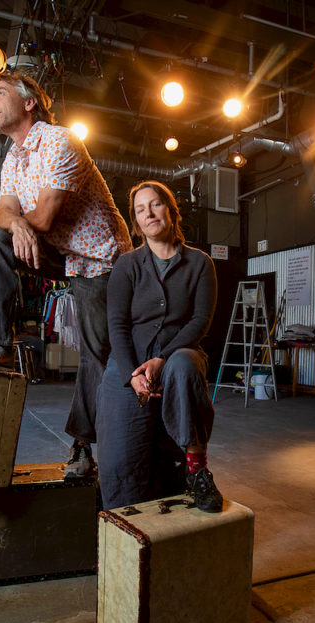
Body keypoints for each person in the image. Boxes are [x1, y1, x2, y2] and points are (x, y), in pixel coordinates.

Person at [0, 71, 132, 479]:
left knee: (94, 353)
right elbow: (2, 214)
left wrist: (18, 222)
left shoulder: (60, 140)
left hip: (100, 260)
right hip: (59, 252)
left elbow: (45, 218)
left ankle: (83, 447)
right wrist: (14, 225)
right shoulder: (13, 158)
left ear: (30, 102)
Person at [95, 180, 223, 512]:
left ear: (170, 210)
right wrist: (131, 375)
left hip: (180, 352)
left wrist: (162, 359)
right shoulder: (127, 265)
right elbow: (118, 325)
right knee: (119, 458)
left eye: (155, 204)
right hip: (130, 362)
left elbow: (199, 322)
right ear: (136, 223)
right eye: (140, 210)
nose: (149, 213)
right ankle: (126, 523)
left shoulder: (200, 264)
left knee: (182, 366)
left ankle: (197, 472)